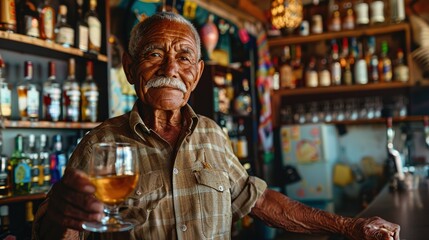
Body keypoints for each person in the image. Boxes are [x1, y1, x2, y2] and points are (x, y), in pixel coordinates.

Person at [33, 12, 400, 240]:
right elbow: (63, 228)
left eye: (184, 57)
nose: (169, 69)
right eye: (154, 54)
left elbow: (258, 200)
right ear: (130, 69)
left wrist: (350, 227)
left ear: (197, 74)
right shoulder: (99, 145)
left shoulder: (210, 133)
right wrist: (60, 220)